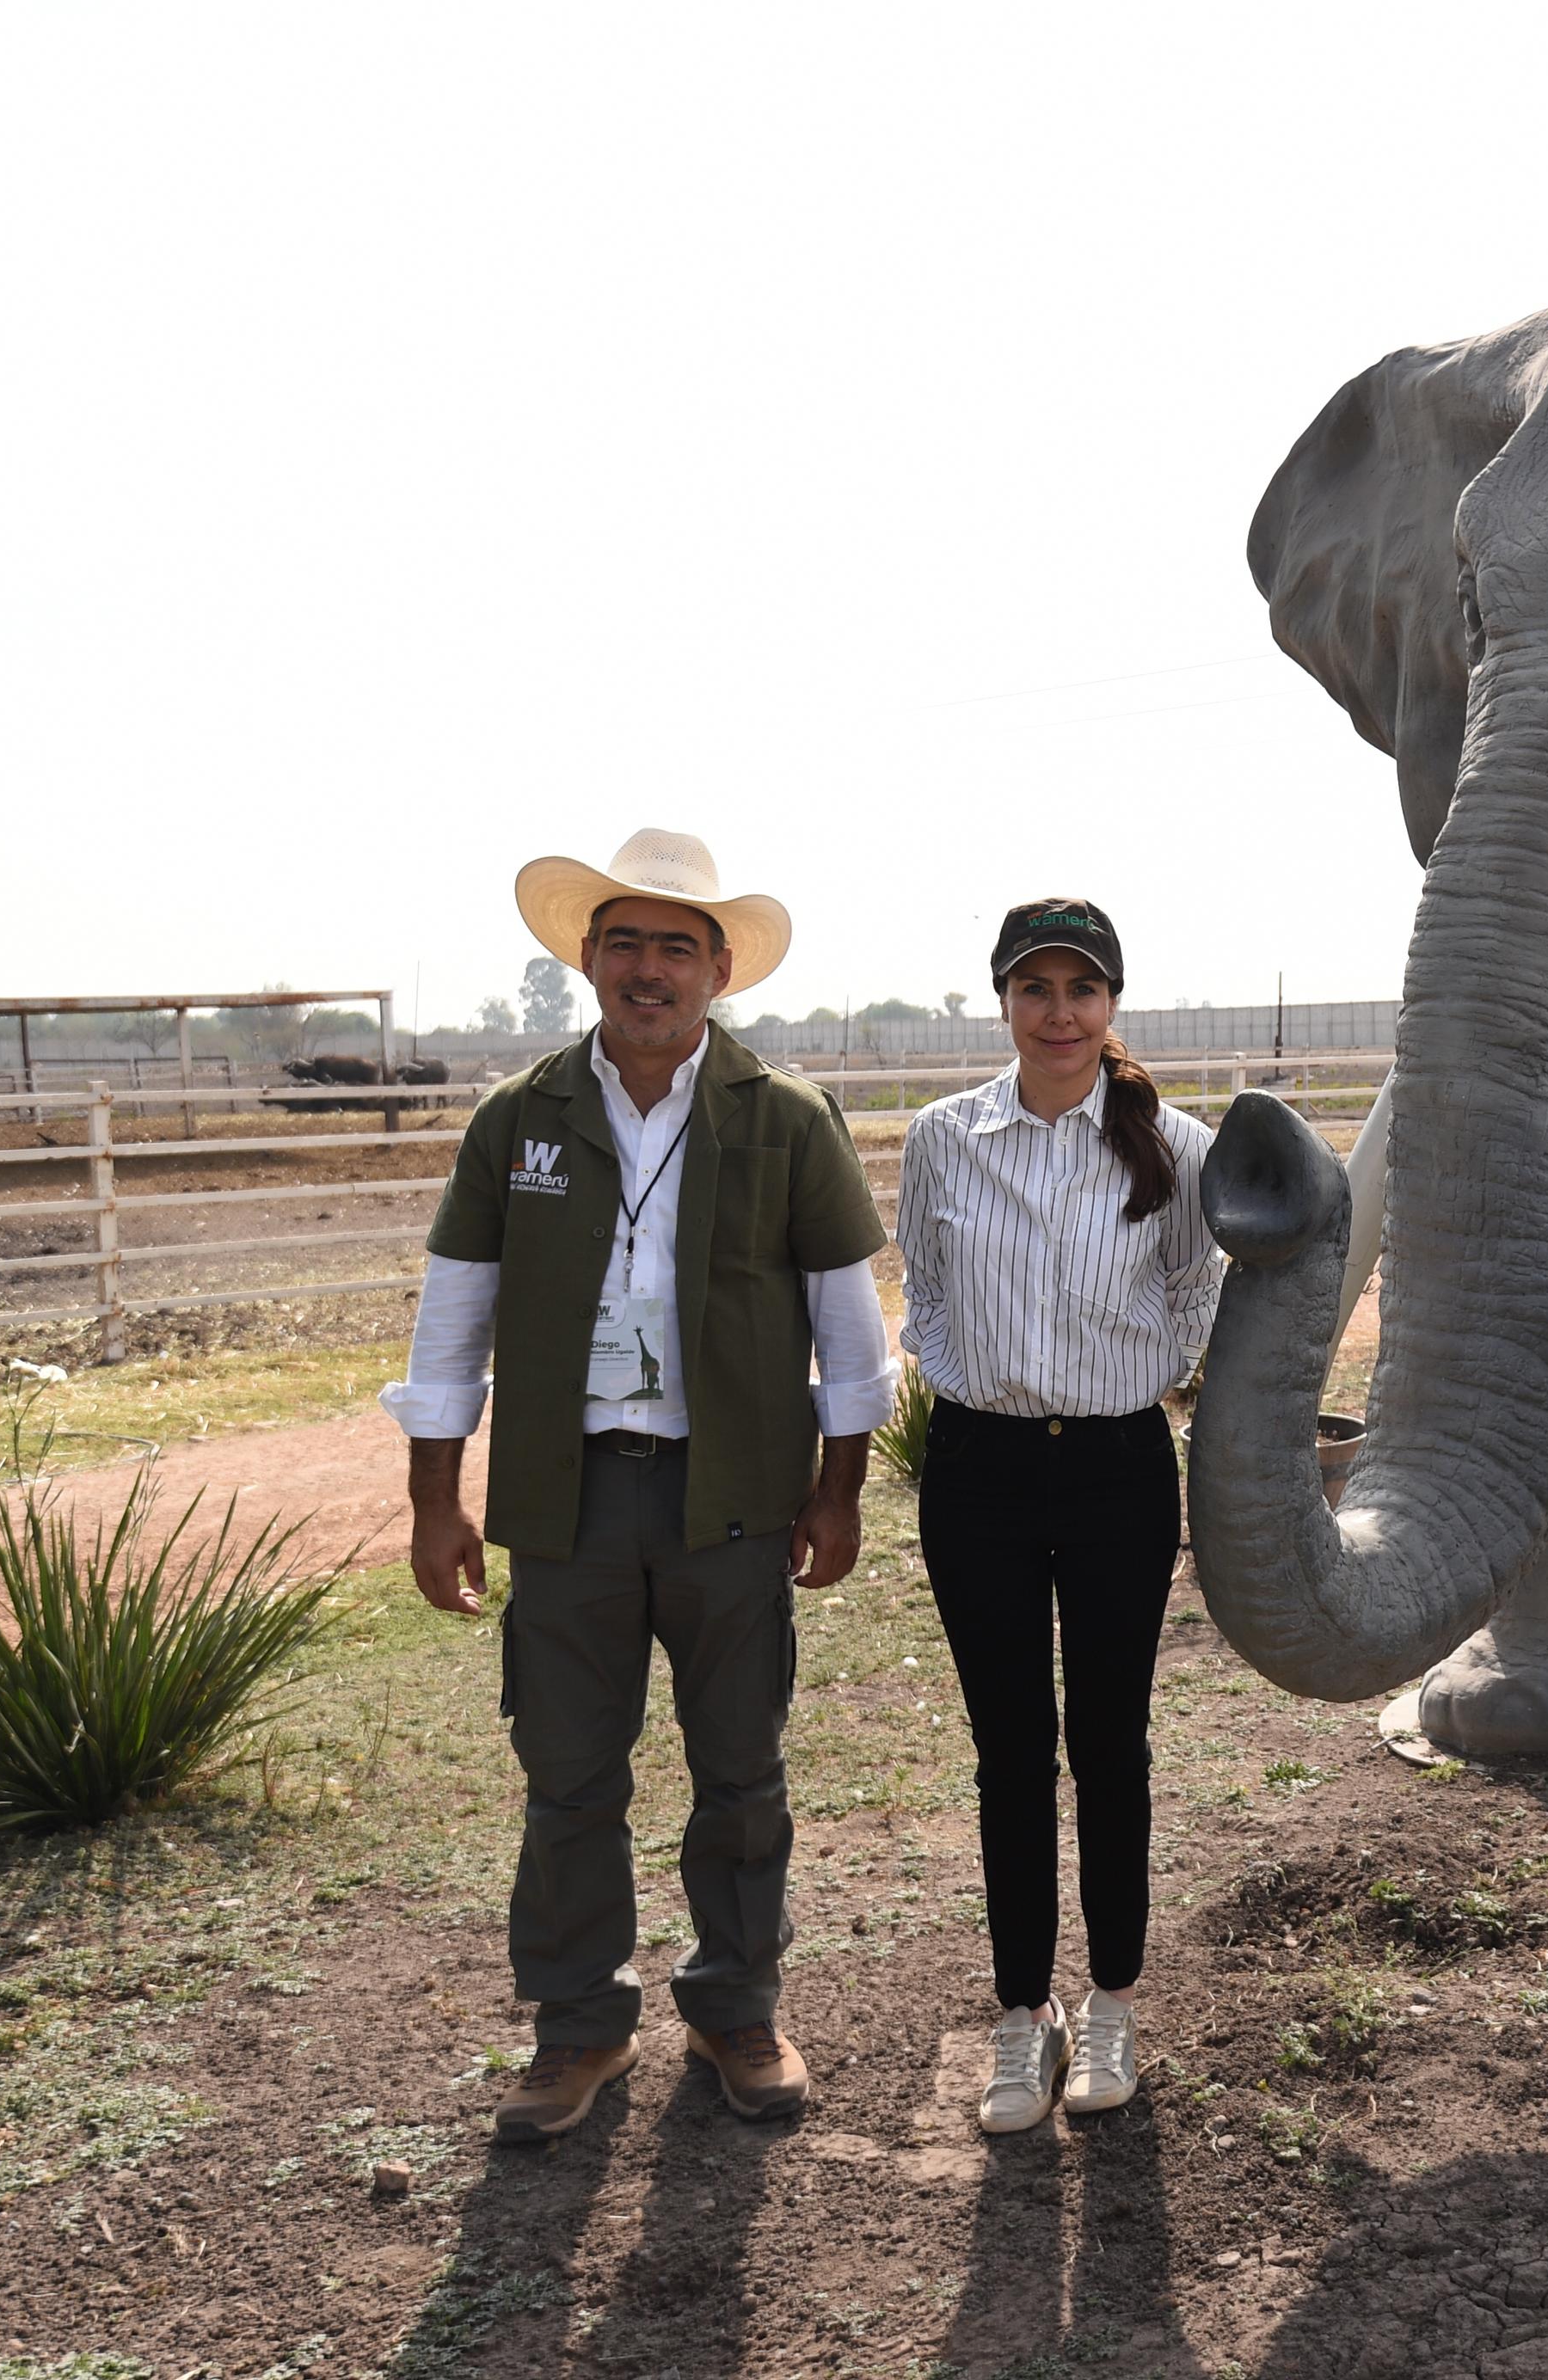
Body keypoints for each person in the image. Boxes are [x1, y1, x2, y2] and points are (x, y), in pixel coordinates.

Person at [389, 828, 895, 2141]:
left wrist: (839, 1489)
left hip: (730, 1500)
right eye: (626, 943)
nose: (650, 969)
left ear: (721, 970)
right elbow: (453, 1320)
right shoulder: (520, 1122)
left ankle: (738, 2008)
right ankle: (578, 2030)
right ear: (589, 960)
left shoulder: (786, 1121)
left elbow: (850, 1332)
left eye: (679, 945)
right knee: (569, 1778)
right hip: (568, 1501)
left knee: (742, 1773)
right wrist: (434, 1497)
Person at [896, 898, 1222, 2136]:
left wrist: (1137, 1373)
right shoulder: (944, 1138)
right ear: (1004, 1003)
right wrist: (973, 1372)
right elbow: (922, 1286)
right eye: (1035, 988)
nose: (1060, 1012)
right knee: (1008, 1752)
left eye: (1081, 990)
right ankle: (1019, 2017)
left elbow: (1198, 1283)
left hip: (1114, 1471)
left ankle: (1113, 2002)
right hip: (977, 1469)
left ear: (1112, 1007)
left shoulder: (1171, 1145)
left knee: (1111, 1744)